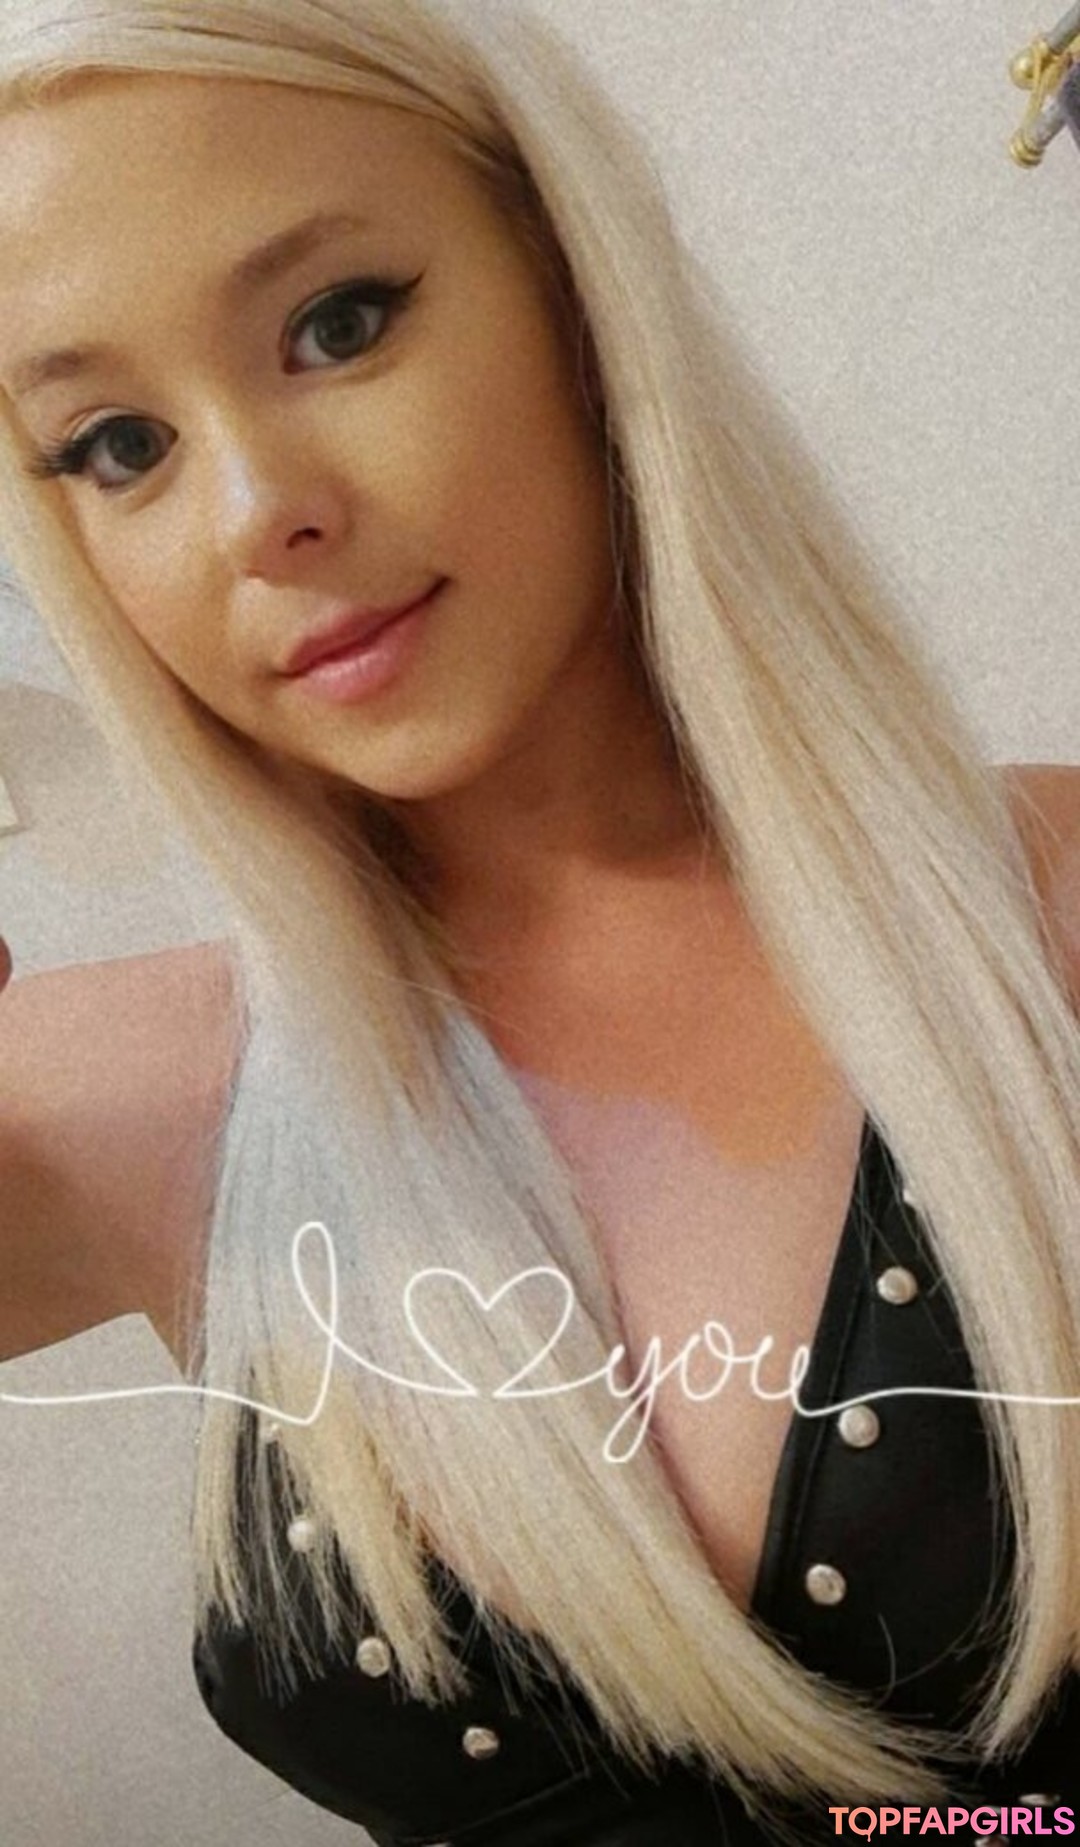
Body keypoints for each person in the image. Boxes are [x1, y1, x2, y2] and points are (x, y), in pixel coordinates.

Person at [0, 2, 1079, 1841]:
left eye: (342, 323)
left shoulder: (1046, 927)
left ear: (574, 283)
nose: (259, 512)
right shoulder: (126, 1102)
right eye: (115, 445)